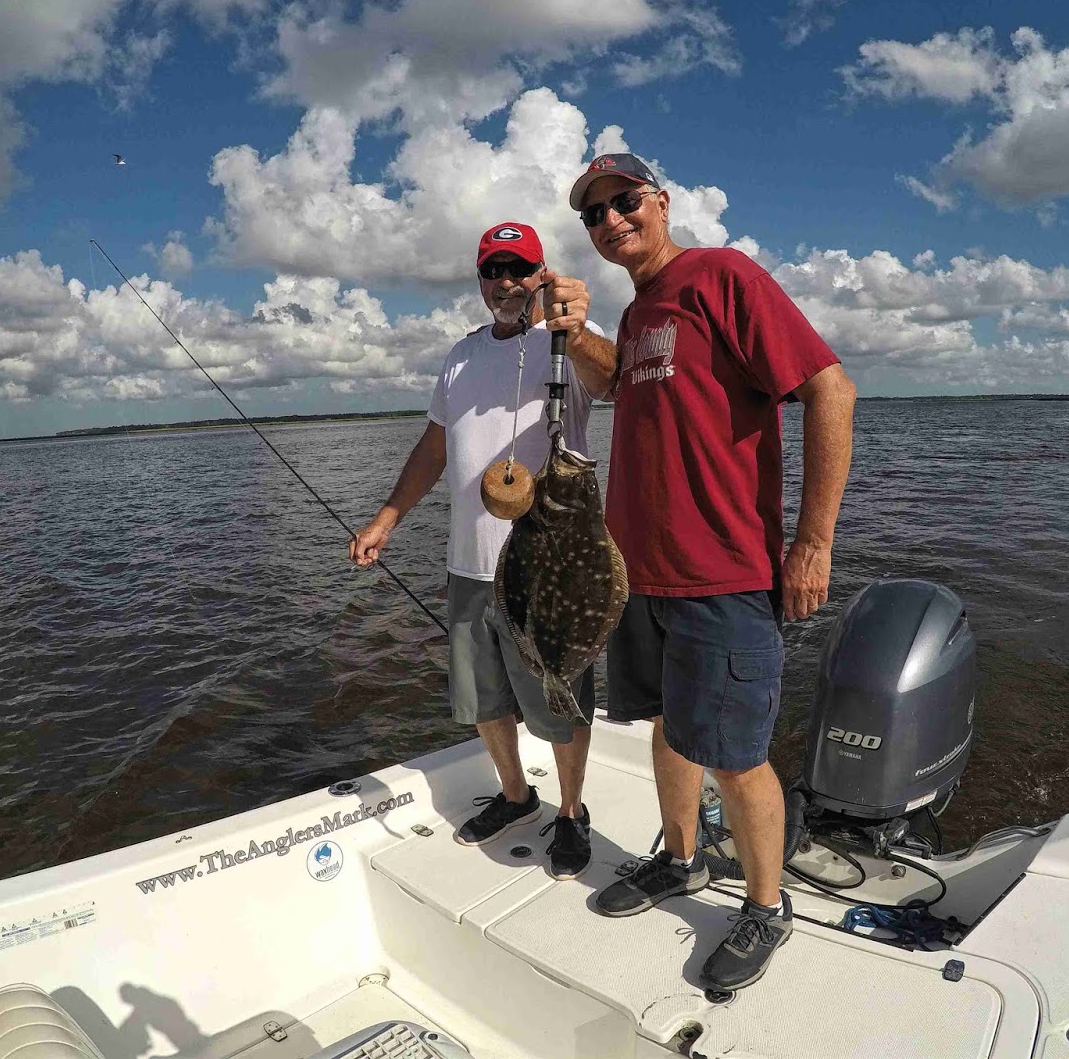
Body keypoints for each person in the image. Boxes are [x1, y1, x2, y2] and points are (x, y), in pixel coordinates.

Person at [551, 153, 856, 991]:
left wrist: (812, 542)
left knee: (737, 755)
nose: (612, 221)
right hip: (639, 576)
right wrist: (573, 333)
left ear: (661, 202)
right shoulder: (643, 305)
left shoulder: (720, 275)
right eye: (595, 214)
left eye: (624, 202)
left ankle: (766, 908)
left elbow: (831, 390)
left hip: (722, 575)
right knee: (669, 727)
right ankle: (680, 859)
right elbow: (620, 382)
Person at [350, 221, 609, 880]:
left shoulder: (562, 344)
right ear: (480, 280)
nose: (506, 282)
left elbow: (615, 383)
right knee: (484, 699)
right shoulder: (460, 357)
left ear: (541, 271)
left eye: (519, 267)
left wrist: (573, 331)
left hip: (547, 569)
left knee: (561, 699)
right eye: (493, 270)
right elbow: (435, 447)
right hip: (469, 566)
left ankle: (572, 811)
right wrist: (387, 518)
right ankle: (518, 796)